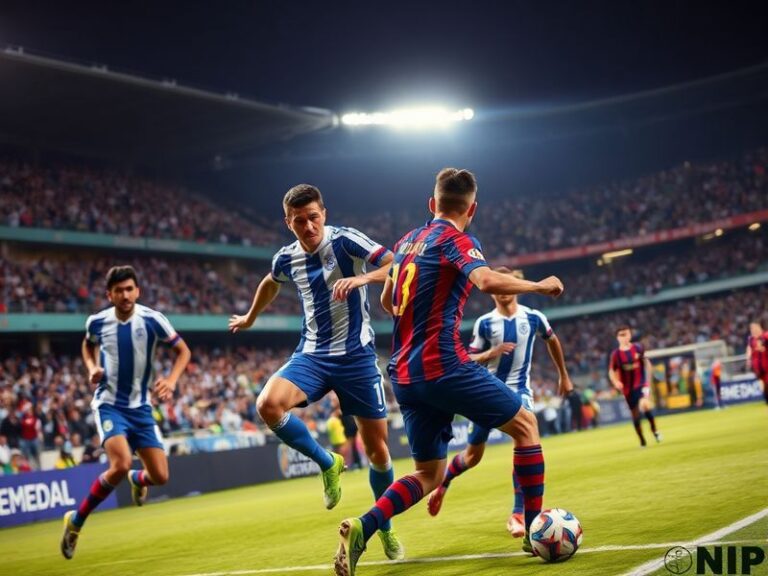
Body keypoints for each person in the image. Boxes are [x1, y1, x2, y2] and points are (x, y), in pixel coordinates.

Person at [332, 167, 565, 576]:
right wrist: (541, 286)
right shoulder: (457, 240)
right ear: (471, 209)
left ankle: (364, 528)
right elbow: (487, 280)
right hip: (443, 365)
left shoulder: (405, 242)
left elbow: (388, 302)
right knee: (526, 426)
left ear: (431, 204)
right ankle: (533, 531)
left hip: (403, 374)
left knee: (427, 473)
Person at [229, 184, 404, 560]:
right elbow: (270, 282)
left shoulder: (346, 241)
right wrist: (250, 316)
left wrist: (363, 279)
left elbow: (396, 263)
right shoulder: (286, 258)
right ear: (287, 222)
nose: (308, 226)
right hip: (313, 355)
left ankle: (384, 527)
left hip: (357, 357)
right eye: (299, 221)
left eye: (313, 218)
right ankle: (329, 462)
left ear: (323, 213)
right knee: (268, 405)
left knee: (378, 451)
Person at [426, 267, 573, 539]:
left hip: (520, 391)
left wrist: (563, 375)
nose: (505, 293)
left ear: (515, 287)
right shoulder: (485, 323)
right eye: (500, 289)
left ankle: (519, 514)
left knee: (526, 437)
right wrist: (491, 353)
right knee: (473, 456)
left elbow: (552, 340)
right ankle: (443, 484)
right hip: (487, 393)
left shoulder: (533, 317)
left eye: (509, 287)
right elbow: (466, 359)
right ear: (494, 291)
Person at [60, 265, 191, 560]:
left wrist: (171, 381)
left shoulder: (153, 320)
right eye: (119, 290)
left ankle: (137, 480)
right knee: (118, 464)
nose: (125, 295)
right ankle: (76, 523)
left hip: (141, 407)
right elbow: (87, 346)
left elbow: (183, 351)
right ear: (110, 294)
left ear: (137, 291)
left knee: (159, 476)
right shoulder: (97, 322)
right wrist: (93, 367)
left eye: (130, 289)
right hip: (109, 404)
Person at [608, 326, 662, 447]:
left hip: (641, 383)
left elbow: (647, 364)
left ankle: (654, 430)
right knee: (635, 415)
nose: (624, 337)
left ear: (630, 335)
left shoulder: (638, 347)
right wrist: (616, 382)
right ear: (617, 338)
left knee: (645, 405)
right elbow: (611, 371)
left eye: (626, 334)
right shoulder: (616, 355)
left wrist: (648, 381)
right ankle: (642, 440)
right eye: (621, 335)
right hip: (628, 389)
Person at [746, 321, 768, 405]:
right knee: (763, 386)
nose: (753, 330)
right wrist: (748, 358)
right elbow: (749, 348)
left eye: (754, 328)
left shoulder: (765, 336)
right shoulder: (751, 339)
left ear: (760, 327)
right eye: (751, 328)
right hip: (758, 368)